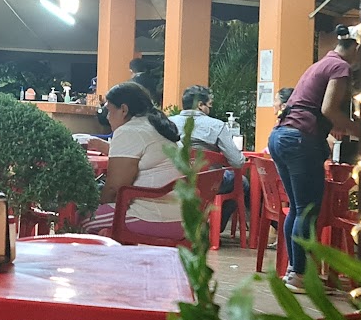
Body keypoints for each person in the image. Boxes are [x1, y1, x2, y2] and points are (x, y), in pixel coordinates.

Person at [268, 26, 360, 292]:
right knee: (307, 210)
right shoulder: (340, 67)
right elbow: (329, 109)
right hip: (300, 139)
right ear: (356, 48)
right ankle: (299, 275)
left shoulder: (320, 65)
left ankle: (295, 272)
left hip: (281, 136)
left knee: (298, 209)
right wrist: (359, 130)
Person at [84, 81, 186, 243]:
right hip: (182, 217)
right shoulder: (155, 125)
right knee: (103, 219)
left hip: (154, 217)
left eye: (109, 111)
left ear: (124, 110)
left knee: (79, 218)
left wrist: (92, 203)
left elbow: (113, 189)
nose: (108, 117)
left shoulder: (130, 130)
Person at [175, 85, 246, 230]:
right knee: (242, 182)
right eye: (209, 105)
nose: (210, 108)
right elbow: (237, 162)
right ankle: (215, 228)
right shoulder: (216, 126)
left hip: (173, 181)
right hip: (208, 183)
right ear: (200, 105)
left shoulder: (167, 123)